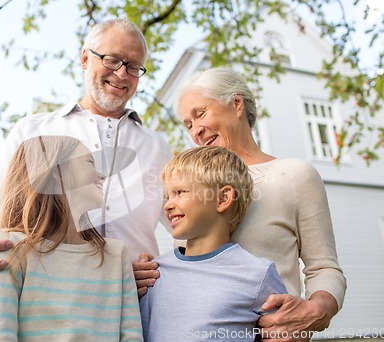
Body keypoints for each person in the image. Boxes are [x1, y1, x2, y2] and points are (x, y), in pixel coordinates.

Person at [0, 18, 172, 295]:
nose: (122, 74)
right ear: (85, 59)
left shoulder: (157, 146)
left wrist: (160, 267)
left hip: (136, 304)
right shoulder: (34, 130)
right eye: (112, 60)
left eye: (133, 66)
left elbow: (189, 224)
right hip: (47, 303)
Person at [134, 67, 347, 340]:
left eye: (200, 114)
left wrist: (316, 310)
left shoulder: (293, 175)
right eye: (188, 124)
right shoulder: (189, 188)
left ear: (236, 103)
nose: (196, 130)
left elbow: (324, 266)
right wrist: (148, 275)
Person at [0, 135, 143, 341]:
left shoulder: (116, 255)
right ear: (57, 173)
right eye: (90, 162)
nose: (101, 175)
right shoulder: (9, 248)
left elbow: (131, 335)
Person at [139, 146, 287, 341]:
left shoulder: (257, 274)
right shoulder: (154, 273)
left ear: (223, 198)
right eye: (167, 196)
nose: (167, 205)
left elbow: (285, 333)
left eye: (180, 192)